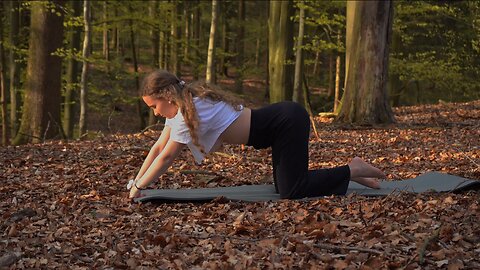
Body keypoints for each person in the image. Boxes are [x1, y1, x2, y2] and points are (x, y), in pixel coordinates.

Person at [129, 70, 386, 199]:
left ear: (166, 97)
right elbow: (156, 149)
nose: (154, 113)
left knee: (291, 190)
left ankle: (352, 169)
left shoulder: (187, 112)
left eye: (154, 106)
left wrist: (140, 187)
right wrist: (136, 182)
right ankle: (354, 176)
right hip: (278, 128)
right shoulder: (179, 110)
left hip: (286, 122)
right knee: (285, 186)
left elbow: (166, 158)